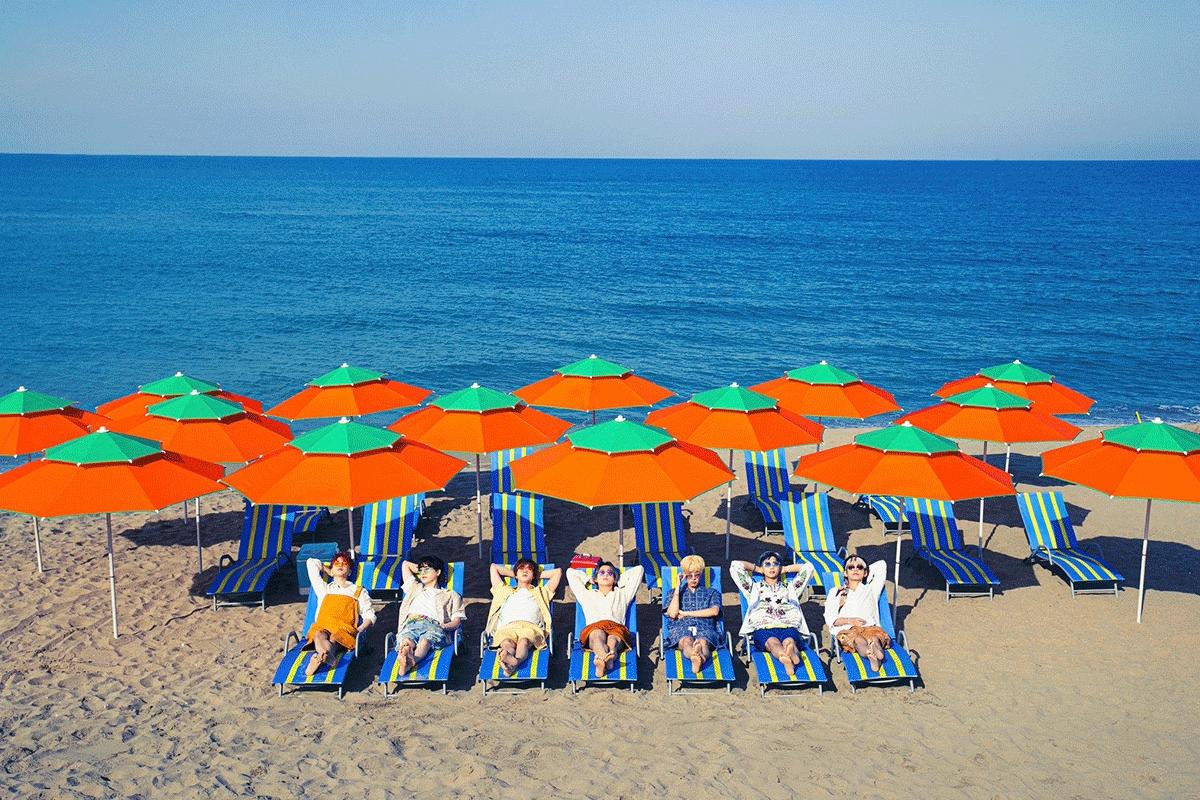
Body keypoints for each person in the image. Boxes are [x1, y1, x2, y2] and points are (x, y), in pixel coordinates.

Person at [730, 551, 814, 676]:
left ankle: (789, 653)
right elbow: (735, 565)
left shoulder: (791, 587)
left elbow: (808, 568)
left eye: (775, 564)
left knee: (789, 640)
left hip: (787, 625)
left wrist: (784, 569)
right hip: (763, 627)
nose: (772, 567)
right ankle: (786, 657)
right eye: (767, 564)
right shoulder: (753, 588)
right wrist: (756, 569)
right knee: (772, 642)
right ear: (762, 567)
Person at [565, 561, 644, 679]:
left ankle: (603, 660)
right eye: (601, 572)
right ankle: (608, 659)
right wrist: (589, 579)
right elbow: (570, 572)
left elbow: (639, 569)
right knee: (597, 635)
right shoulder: (586, 595)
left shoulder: (623, 594)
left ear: (615, 578)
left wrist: (620, 580)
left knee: (613, 639)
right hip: (595, 628)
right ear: (596, 578)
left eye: (610, 573)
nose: (606, 575)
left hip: (616, 628)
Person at [485, 559, 563, 677]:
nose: (525, 571)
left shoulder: (541, 592)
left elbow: (558, 572)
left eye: (529, 569)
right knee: (507, 643)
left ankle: (513, 661)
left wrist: (533, 574)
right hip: (507, 627)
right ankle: (510, 663)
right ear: (515, 574)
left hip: (531, 627)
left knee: (524, 641)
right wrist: (517, 574)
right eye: (521, 568)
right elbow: (493, 567)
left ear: (534, 575)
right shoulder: (504, 590)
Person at [304, 552, 376, 676]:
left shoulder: (358, 591)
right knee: (318, 634)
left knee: (335, 638)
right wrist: (328, 570)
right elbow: (311, 563)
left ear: (350, 571)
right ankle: (325, 655)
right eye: (336, 563)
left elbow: (370, 616)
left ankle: (321, 656)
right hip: (323, 626)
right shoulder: (325, 589)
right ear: (332, 569)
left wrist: (359, 630)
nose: (340, 565)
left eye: (345, 563)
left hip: (344, 628)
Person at [392, 555, 466, 676]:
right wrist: (423, 567)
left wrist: (445, 626)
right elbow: (405, 564)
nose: (422, 573)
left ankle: (411, 661)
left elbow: (457, 620)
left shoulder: (451, 595)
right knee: (406, 640)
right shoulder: (414, 587)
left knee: (425, 641)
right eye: (420, 571)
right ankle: (406, 652)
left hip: (433, 625)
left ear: (438, 572)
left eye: (427, 570)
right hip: (411, 623)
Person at [824, 555, 891, 672]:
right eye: (851, 567)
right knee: (858, 640)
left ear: (865, 573)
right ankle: (871, 655)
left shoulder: (871, 589)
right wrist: (850, 620)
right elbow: (830, 618)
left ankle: (876, 652)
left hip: (871, 627)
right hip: (849, 629)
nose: (855, 569)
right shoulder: (836, 592)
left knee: (875, 638)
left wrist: (863, 568)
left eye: (859, 567)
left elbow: (881, 564)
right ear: (845, 573)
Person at [663, 554, 722, 674]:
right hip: (681, 627)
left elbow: (714, 611)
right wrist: (678, 588)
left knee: (703, 641)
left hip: (705, 627)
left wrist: (686, 613)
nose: (693, 578)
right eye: (690, 575)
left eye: (697, 575)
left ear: (701, 574)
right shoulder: (673, 593)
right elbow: (673, 614)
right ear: (684, 575)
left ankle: (699, 655)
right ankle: (696, 656)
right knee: (686, 641)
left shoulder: (711, 593)